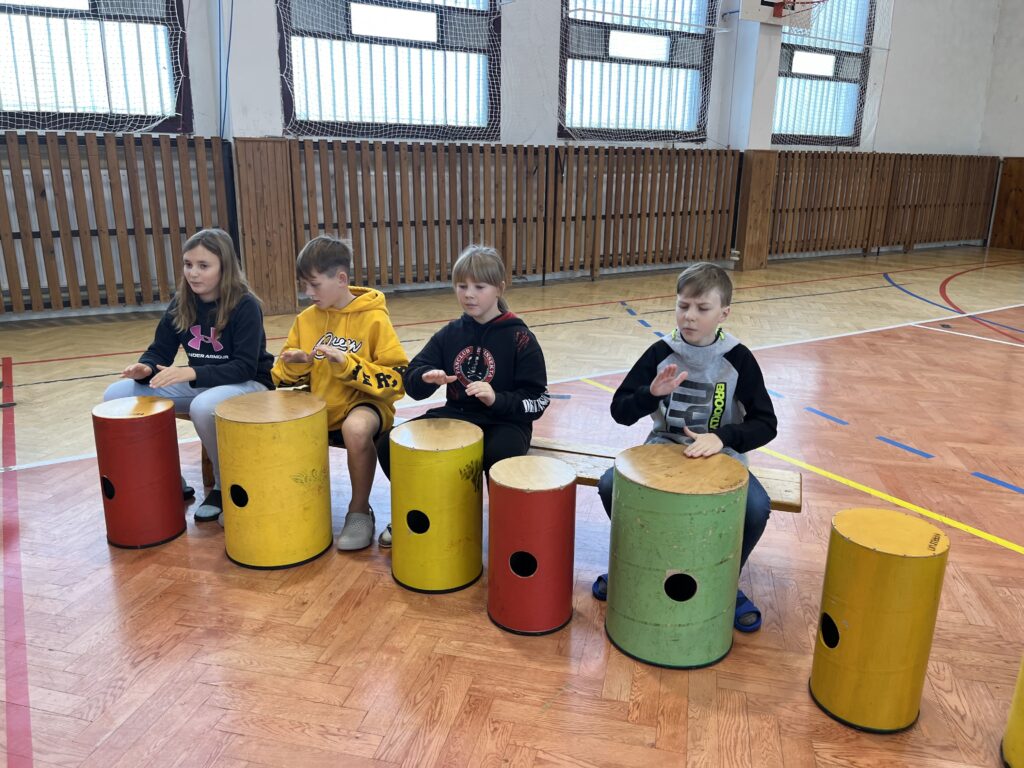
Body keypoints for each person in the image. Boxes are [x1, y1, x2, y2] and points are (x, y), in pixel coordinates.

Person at [592, 262, 777, 633]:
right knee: (611, 484)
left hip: (720, 456)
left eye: (702, 308)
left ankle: (724, 581)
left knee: (756, 508)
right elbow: (619, 411)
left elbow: (766, 424)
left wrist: (723, 438)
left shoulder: (738, 358)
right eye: (683, 306)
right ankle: (637, 565)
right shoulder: (660, 352)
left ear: (724, 313)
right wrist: (650, 394)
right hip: (664, 452)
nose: (689, 316)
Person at [375, 245, 550, 546]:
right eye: (461, 286)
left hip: (505, 422)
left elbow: (538, 399)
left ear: (499, 288)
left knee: (499, 455)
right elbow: (412, 378)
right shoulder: (450, 333)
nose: (469, 294)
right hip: (456, 416)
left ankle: (507, 528)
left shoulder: (520, 338)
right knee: (389, 443)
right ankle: (420, 507)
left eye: (479, 287)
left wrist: (497, 399)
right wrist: (426, 378)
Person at [103, 228, 275, 522]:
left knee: (203, 406)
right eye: (188, 264)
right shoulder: (181, 302)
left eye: (203, 265)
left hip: (249, 384)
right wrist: (145, 368)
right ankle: (168, 478)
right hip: (203, 382)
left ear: (224, 268)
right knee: (116, 396)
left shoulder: (245, 305)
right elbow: (159, 351)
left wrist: (190, 372)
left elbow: (244, 366)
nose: (193, 273)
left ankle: (224, 485)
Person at [272, 235, 408, 551]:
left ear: (341, 279)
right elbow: (279, 379)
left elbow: (396, 380)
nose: (308, 293)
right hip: (320, 405)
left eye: (314, 284)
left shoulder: (374, 317)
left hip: (366, 404)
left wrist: (348, 365)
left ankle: (359, 511)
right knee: (280, 422)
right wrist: (297, 364)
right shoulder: (306, 320)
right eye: (304, 285)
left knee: (355, 429)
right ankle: (299, 502)